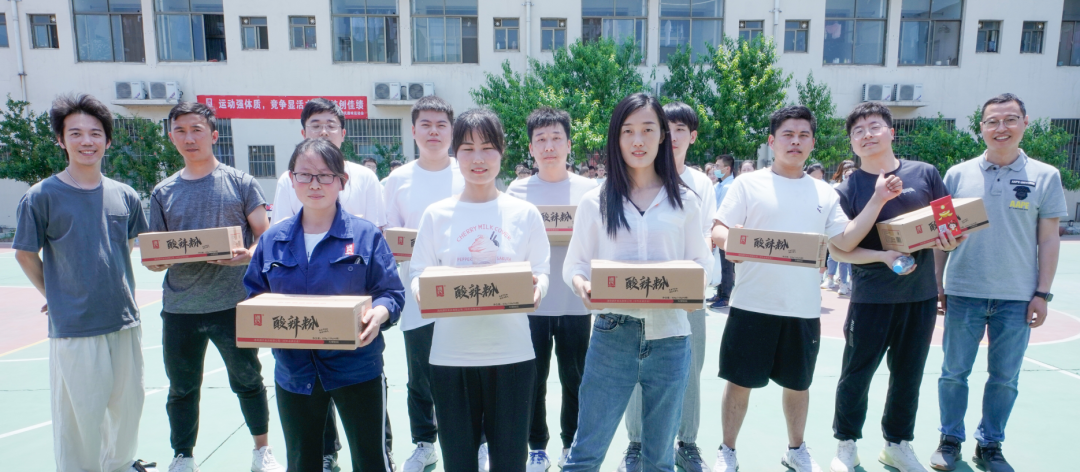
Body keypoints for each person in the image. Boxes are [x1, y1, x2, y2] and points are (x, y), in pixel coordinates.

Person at [710, 106, 902, 472]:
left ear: (813, 143)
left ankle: (796, 448)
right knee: (739, 382)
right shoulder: (748, 184)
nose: (795, 142)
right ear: (772, 141)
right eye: (787, 134)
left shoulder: (824, 193)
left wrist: (878, 202)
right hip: (752, 303)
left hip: (802, 307)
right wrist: (732, 241)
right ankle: (727, 450)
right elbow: (718, 229)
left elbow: (843, 241)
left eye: (803, 136)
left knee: (798, 385)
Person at [561, 93, 711, 472]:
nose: (638, 140)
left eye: (648, 129)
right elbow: (575, 264)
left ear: (663, 136)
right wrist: (581, 285)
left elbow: (702, 264)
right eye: (628, 131)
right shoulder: (595, 201)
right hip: (612, 335)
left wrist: (692, 286)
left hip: (671, 338)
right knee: (585, 455)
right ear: (616, 137)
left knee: (659, 461)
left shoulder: (685, 201)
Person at [13, 94, 158, 472]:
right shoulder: (41, 196)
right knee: (79, 417)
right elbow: (25, 254)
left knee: (128, 406)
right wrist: (55, 293)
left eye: (95, 133)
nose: (86, 141)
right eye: (75, 133)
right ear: (61, 140)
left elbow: (126, 245)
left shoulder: (125, 195)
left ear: (108, 141)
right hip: (75, 326)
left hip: (124, 319)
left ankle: (120, 465)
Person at [244, 138, 405, 472]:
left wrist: (380, 314)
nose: (314, 184)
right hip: (295, 372)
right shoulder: (273, 240)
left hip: (356, 368)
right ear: (291, 180)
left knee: (370, 460)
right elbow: (254, 297)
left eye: (325, 175)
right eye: (305, 175)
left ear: (342, 181)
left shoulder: (365, 236)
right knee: (302, 462)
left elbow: (391, 293)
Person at [929, 94, 1068, 472]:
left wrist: (1042, 293)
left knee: (1005, 378)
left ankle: (990, 445)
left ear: (1025, 123)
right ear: (981, 128)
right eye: (992, 121)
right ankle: (949, 439)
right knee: (953, 373)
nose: (1000, 128)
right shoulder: (957, 174)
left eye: (1009, 119)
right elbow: (941, 235)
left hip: (1016, 296)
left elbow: (1049, 239)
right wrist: (937, 283)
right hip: (963, 291)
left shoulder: (1045, 176)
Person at [410, 109, 551, 472]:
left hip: (512, 355)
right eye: (468, 148)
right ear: (455, 153)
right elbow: (418, 272)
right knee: (459, 462)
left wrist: (538, 289)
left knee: (510, 462)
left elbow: (541, 270)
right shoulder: (437, 214)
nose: (478, 158)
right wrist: (422, 290)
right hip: (451, 357)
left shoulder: (524, 213)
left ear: (501, 151)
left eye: (487, 147)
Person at [827, 102, 964, 472]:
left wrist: (950, 239)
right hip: (871, 299)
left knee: (908, 375)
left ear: (891, 132)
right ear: (852, 143)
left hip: (919, 297)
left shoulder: (925, 173)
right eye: (858, 131)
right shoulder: (846, 189)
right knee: (856, 374)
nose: (867, 135)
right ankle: (846, 444)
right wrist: (883, 257)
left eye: (874, 126)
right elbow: (839, 248)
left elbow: (949, 226)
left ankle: (897, 444)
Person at [146, 102, 282, 472]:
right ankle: (183, 455)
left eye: (197, 129)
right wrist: (156, 261)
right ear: (172, 137)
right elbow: (156, 250)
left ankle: (262, 450)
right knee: (182, 387)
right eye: (180, 131)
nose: (189, 138)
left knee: (248, 380)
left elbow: (265, 238)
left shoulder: (240, 183)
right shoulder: (163, 192)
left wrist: (246, 256)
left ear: (214, 135)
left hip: (232, 304)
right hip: (181, 308)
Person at [617, 101, 716, 472]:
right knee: (635, 369)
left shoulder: (700, 184)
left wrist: (690, 280)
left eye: (679, 130)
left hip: (685, 296)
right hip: (635, 296)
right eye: (665, 128)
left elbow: (704, 241)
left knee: (689, 370)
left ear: (691, 136)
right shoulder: (630, 179)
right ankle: (636, 443)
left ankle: (686, 442)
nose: (671, 136)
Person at [505, 107, 598, 472]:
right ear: (531, 148)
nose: (549, 146)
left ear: (569, 144)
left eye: (556, 138)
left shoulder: (589, 190)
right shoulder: (517, 191)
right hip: (532, 303)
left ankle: (570, 443)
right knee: (533, 379)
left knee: (575, 379)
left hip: (576, 302)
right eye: (541, 139)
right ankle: (537, 447)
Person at [383, 95, 466, 472]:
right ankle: (425, 443)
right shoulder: (397, 180)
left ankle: (478, 442)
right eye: (426, 125)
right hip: (417, 294)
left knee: (470, 371)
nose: (434, 132)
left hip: (465, 294)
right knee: (420, 376)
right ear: (414, 130)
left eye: (441, 125)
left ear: (452, 131)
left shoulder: (467, 171)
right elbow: (389, 237)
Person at [272, 99, 385, 228]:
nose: (324, 132)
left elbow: (375, 230)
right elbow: (281, 230)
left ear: (343, 134)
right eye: (316, 126)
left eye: (331, 126)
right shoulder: (289, 179)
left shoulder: (366, 177)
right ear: (303, 134)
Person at [822, 161, 856, 295]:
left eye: (851, 175)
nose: (848, 178)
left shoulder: (860, 189)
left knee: (849, 258)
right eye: (846, 175)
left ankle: (851, 281)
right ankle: (841, 282)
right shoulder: (836, 188)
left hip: (853, 227)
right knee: (837, 256)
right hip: (839, 226)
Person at [710, 154, 736, 308]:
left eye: (718, 166)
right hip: (719, 228)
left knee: (726, 265)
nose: (715, 169)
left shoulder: (729, 187)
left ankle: (725, 296)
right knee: (720, 263)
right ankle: (720, 293)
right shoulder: (720, 185)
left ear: (727, 168)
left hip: (725, 229)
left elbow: (721, 209)